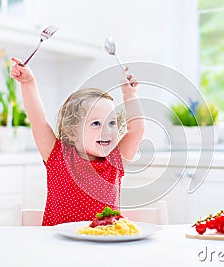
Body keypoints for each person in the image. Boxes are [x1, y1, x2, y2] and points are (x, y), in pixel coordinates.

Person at [9, 57, 145, 226]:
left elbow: (137, 129)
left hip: (102, 246)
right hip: (59, 247)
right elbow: (38, 120)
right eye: (96, 123)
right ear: (73, 132)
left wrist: (129, 94)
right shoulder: (58, 156)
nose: (107, 131)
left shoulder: (115, 161)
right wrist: (28, 83)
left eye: (112, 123)